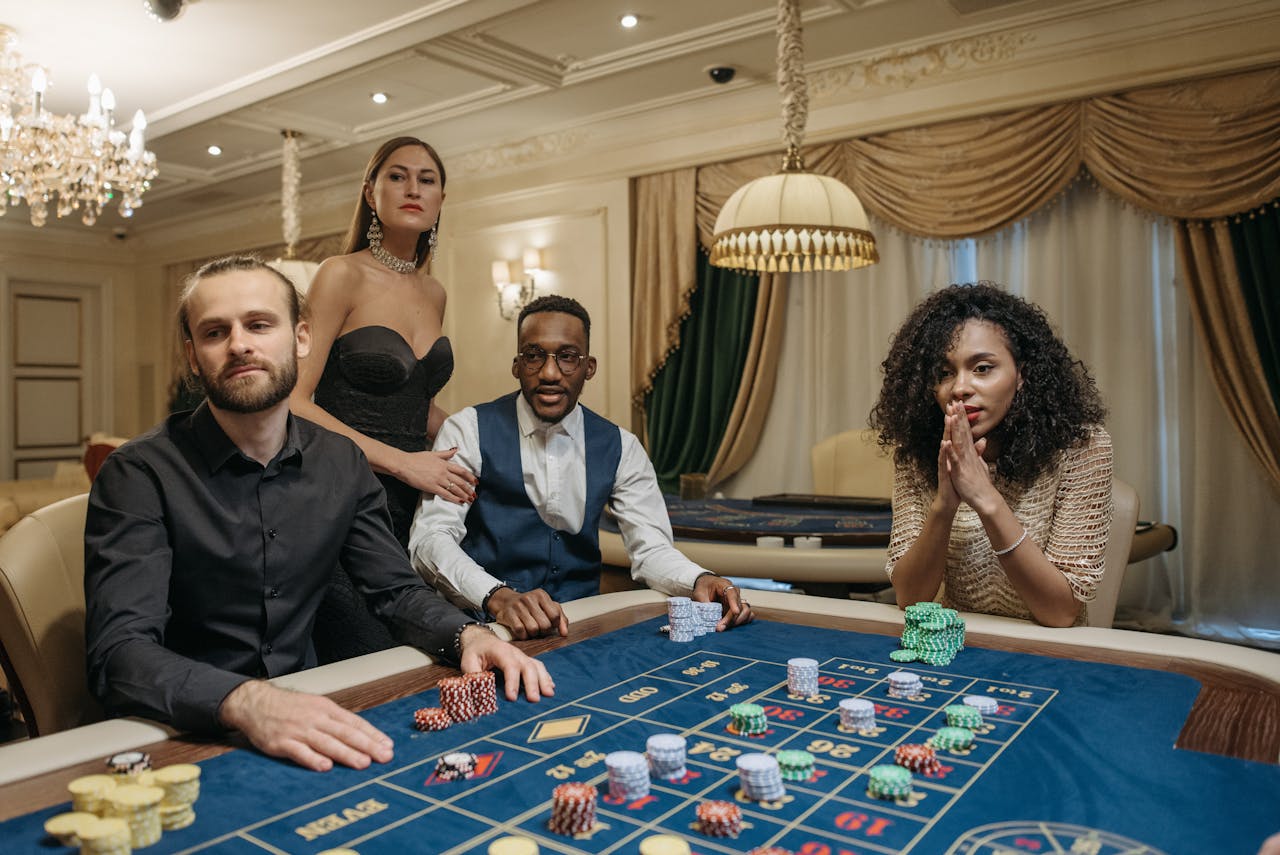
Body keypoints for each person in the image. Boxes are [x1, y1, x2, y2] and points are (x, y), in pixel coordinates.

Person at [85, 256, 553, 774]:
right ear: (193, 358)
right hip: (178, 731)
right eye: (216, 332)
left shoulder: (342, 461)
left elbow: (395, 592)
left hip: (304, 712)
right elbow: (120, 653)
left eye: (260, 324)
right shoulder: (137, 473)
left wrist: (469, 634)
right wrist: (248, 701)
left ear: (302, 339)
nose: (240, 343)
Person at [408, 295, 753, 640]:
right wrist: (495, 595)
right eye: (533, 356)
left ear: (589, 367)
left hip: (581, 627)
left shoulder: (622, 446)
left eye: (568, 358)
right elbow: (430, 540)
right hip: (485, 627)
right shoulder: (468, 430)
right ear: (517, 365)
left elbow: (651, 550)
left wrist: (699, 579)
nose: (549, 373)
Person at [288, 137, 478, 661]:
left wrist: (479, 440)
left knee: (420, 653)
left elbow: (414, 402)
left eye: (427, 178)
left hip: (411, 499)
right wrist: (402, 464)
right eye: (397, 176)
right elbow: (295, 402)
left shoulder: (434, 291)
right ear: (371, 193)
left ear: (441, 198)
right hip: (340, 494)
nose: (413, 188)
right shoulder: (340, 273)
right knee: (366, 654)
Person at [869, 283, 1112, 628]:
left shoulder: (1082, 447)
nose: (960, 387)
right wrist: (945, 505)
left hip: (1055, 653)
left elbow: (1060, 612)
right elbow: (910, 598)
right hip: (962, 646)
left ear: (1022, 375)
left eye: (982, 368)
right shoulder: (918, 454)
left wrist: (985, 498)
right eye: (944, 373)